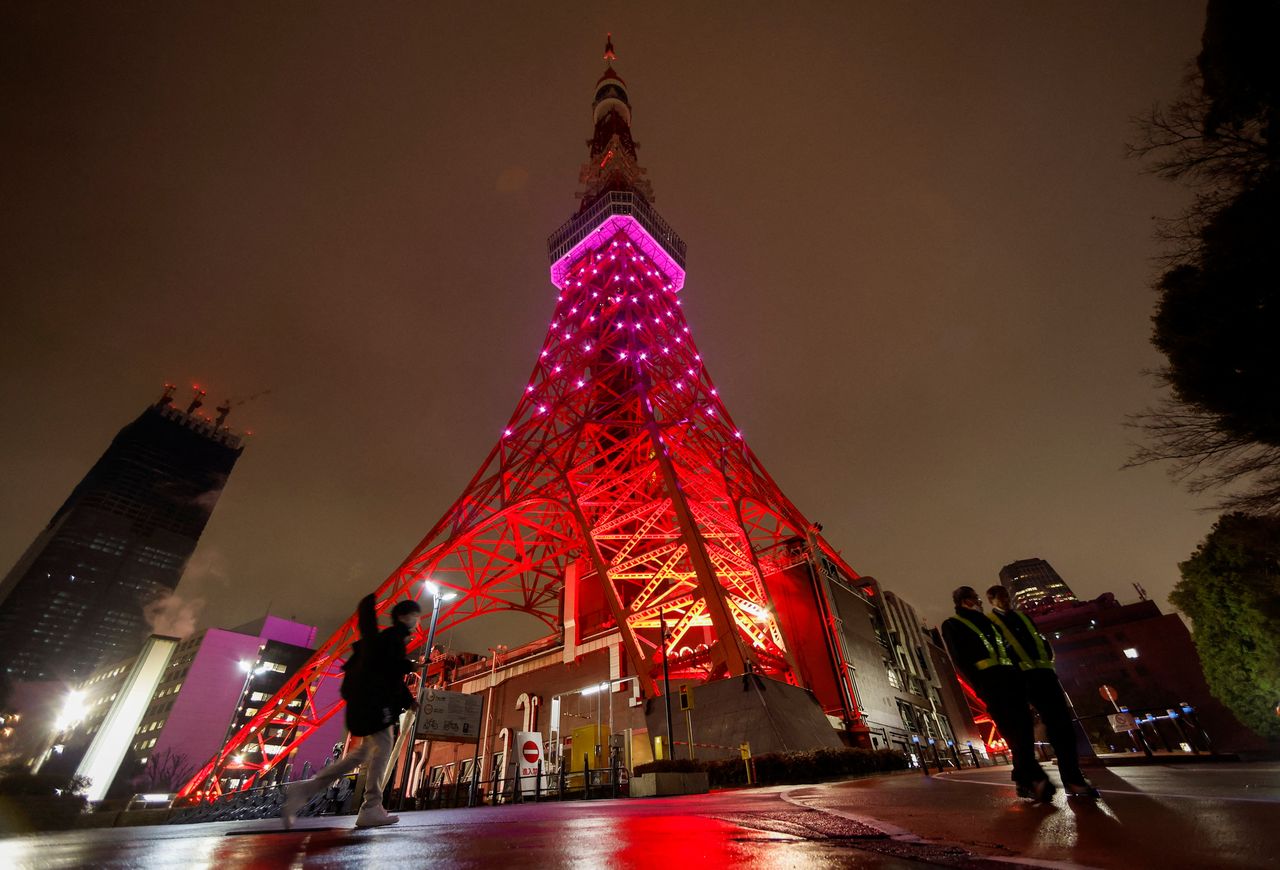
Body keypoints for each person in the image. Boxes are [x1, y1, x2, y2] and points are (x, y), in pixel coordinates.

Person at [283, 593, 421, 828]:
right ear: (404, 617)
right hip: (375, 703)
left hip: (364, 701)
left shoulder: (390, 638)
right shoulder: (394, 637)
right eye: (414, 616)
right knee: (383, 747)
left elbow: (386, 667)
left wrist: (407, 673)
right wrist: (409, 693)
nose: (417, 621)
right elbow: (389, 672)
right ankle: (370, 807)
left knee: (362, 753)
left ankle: (306, 789)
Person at [942, 585, 1055, 803]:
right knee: (1012, 729)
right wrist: (979, 687)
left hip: (1013, 680)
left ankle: (1023, 778)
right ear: (965, 601)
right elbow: (961, 660)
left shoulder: (991, 623)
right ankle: (1035, 778)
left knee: (1024, 728)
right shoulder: (953, 624)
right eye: (975, 598)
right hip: (991, 684)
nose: (979, 601)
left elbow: (1008, 650)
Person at [985, 585, 1100, 798]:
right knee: (1022, 732)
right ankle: (1026, 779)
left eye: (1006, 596)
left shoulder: (1024, 617)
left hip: (1044, 675)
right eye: (1000, 597)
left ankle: (1073, 780)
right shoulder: (990, 623)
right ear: (991, 600)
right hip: (1017, 678)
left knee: (1062, 726)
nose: (1005, 600)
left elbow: (1039, 639)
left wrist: (1047, 659)